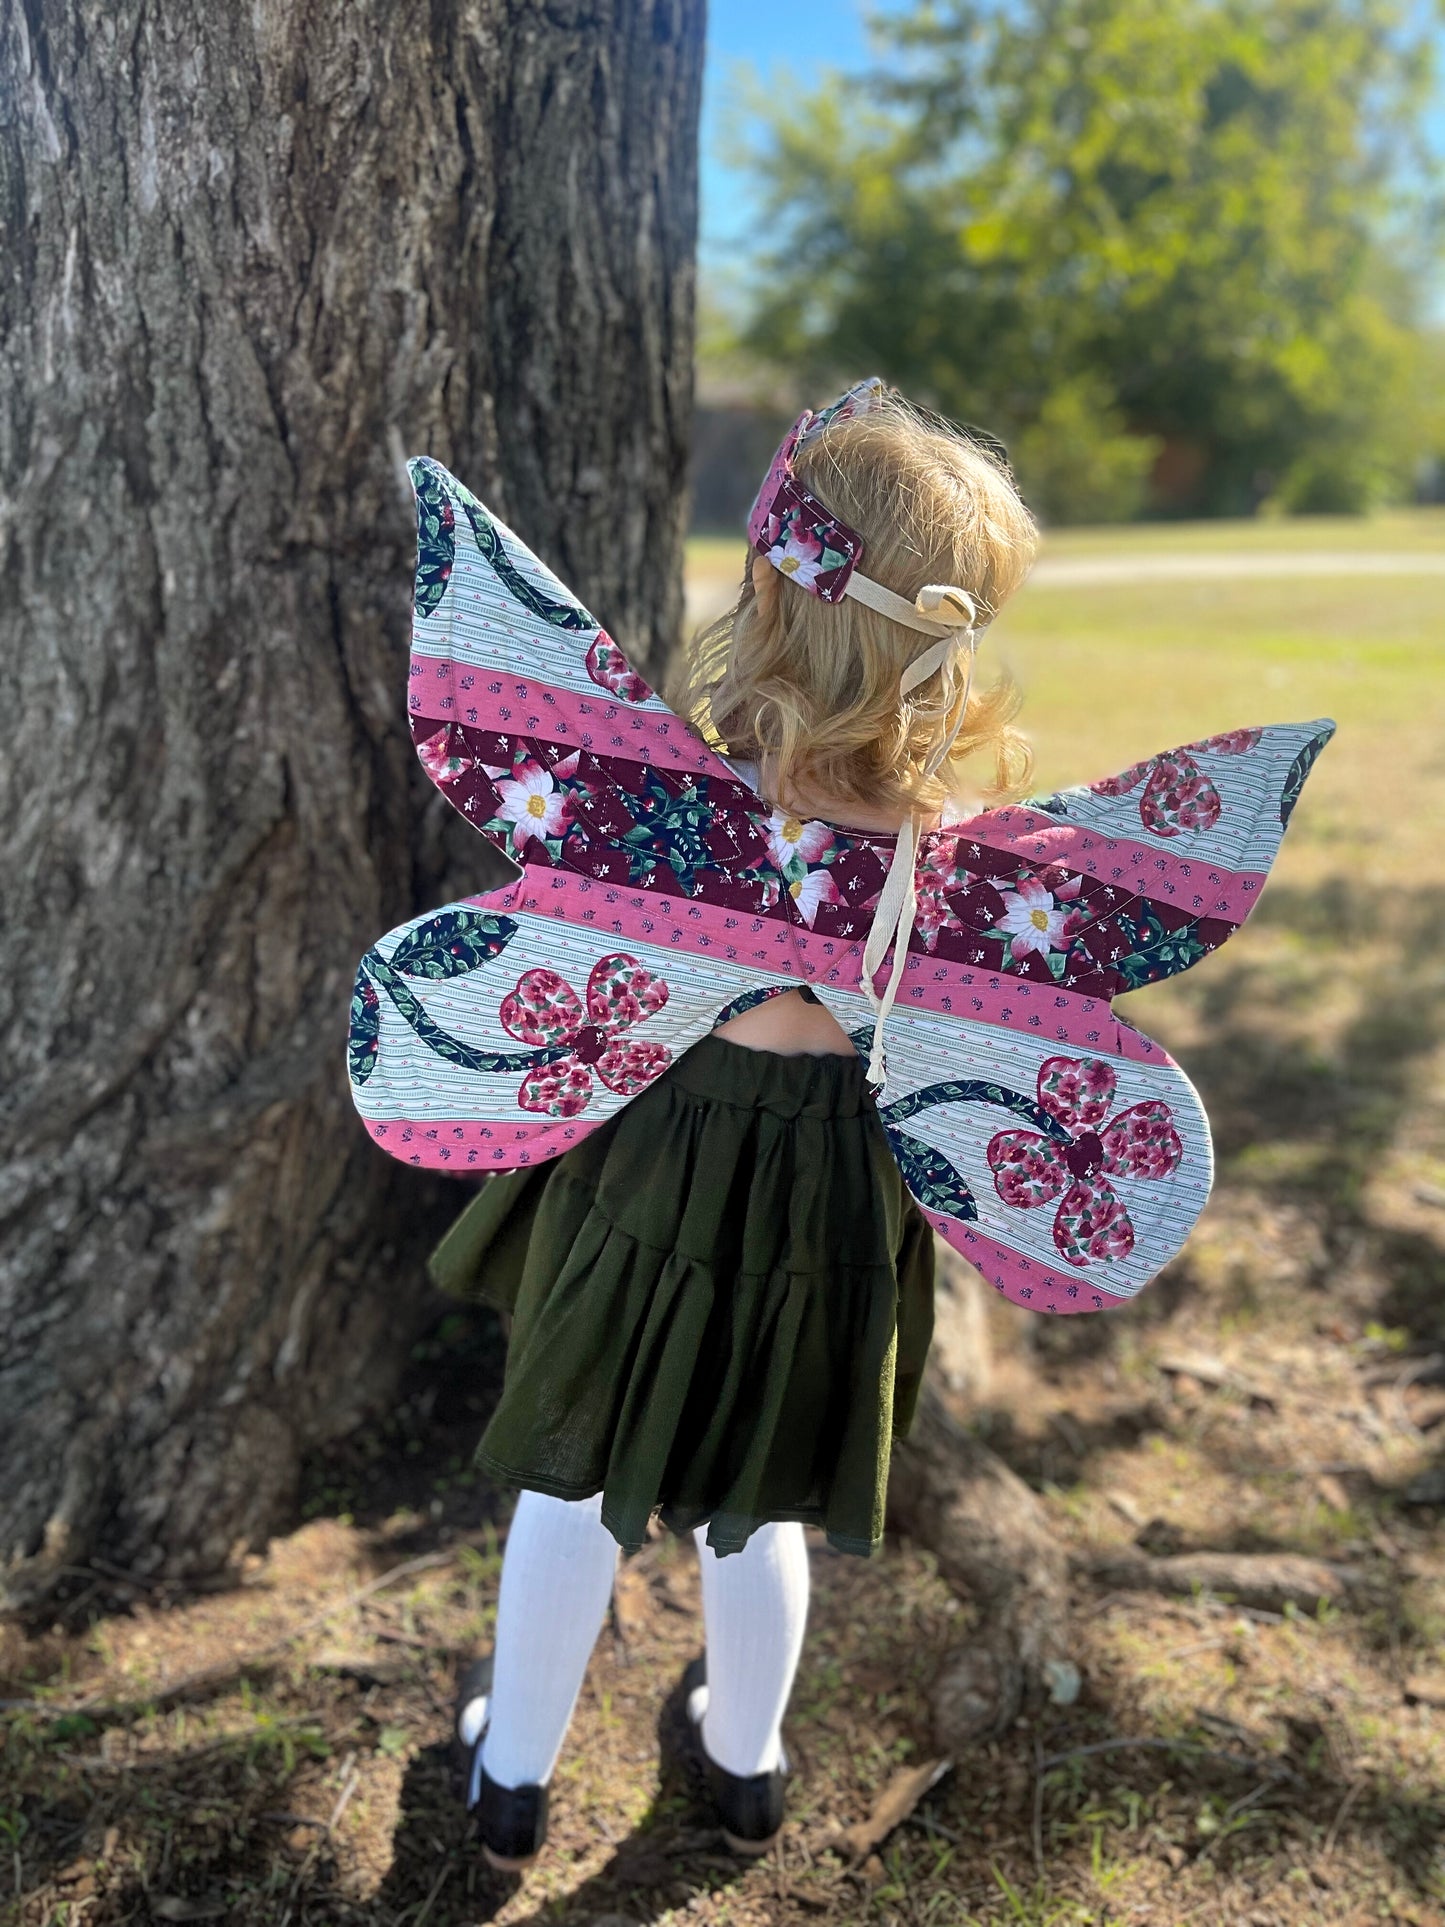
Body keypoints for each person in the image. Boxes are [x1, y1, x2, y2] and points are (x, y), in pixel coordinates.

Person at [428, 383, 1040, 1869]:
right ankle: (746, 1756)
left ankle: (512, 1778)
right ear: (945, 649)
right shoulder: (961, 864)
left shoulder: (683, 812)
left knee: (572, 1484)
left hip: (660, 1170)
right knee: (754, 1503)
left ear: (769, 594)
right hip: (833, 1195)